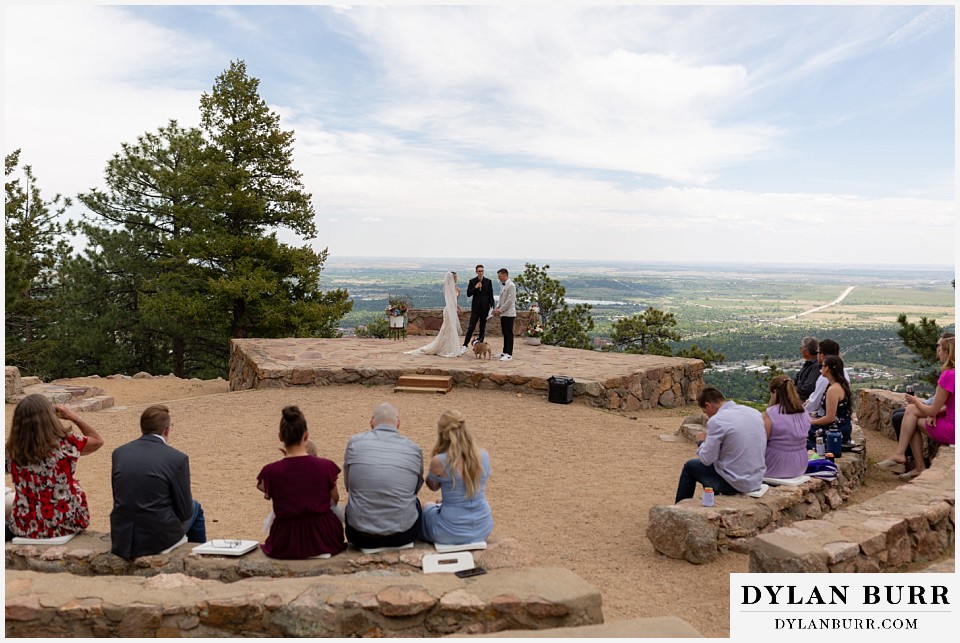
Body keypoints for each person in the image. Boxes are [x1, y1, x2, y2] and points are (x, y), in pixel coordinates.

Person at [110, 405, 206, 560]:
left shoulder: (119, 453)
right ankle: (198, 557)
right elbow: (185, 511)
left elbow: (119, 495)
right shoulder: (177, 458)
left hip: (123, 535)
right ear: (167, 430)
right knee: (196, 508)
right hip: (157, 538)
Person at [5, 395, 104, 541]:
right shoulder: (67, 443)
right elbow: (97, 441)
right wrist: (73, 417)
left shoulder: (11, 450)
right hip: (68, 523)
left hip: (26, 526)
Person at [257, 406, 346, 559]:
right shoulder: (326, 467)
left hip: (286, 539)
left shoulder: (271, 471)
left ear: (280, 437)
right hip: (323, 537)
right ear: (306, 436)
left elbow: (270, 490)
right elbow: (335, 499)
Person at [342, 403, 424, 549]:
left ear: (371, 422)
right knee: (416, 502)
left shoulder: (354, 443)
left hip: (360, 535)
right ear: (398, 423)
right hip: (403, 534)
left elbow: (349, 486)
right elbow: (414, 490)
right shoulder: (414, 449)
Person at [878, 336, 955, 480]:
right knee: (911, 414)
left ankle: (909, 460)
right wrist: (932, 412)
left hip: (952, 430)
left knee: (911, 414)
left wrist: (915, 401)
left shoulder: (949, 375)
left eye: (940, 349)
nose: (938, 352)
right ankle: (908, 460)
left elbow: (932, 410)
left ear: (947, 353)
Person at [674, 388, 766, 503]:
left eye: (705, 412)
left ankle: (680, 507)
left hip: (735, 483)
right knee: (712, 468)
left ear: (708, 406)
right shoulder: (753, 412)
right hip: (756, 479)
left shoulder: (717, 421)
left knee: (690, 466)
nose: (707, 416)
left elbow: (707, 459)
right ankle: (711, 500)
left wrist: (701, 442)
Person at [420, 410, 493, 545]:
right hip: (483, 526)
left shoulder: (439, 461)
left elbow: (433, 486)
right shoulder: (483, 456)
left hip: (449, 531)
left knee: (426, 507)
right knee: (440, 503)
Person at [405, 271, 463, 358]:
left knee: (451, 330)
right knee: (448, 329)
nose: (456, 278)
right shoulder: (448, 288)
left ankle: (451, 347)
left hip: (453, 310)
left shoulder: (457, 289)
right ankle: (445, 348)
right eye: (455, 277)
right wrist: (455, 308)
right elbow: (450, 301)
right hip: (448, 310)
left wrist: (458, 308)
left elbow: (455, 301)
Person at [762, 376, 810, 479]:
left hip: (776, 466)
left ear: (774, 391)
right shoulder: (803, 411)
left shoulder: (770, 414)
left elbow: (761, 443)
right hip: (800, 465)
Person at [807, 355, 854, 448]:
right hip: (842, 427)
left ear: (827, 368)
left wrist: (810, 422)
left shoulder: (833, 390)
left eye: (823, 366)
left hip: (835, 430)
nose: (821, 368)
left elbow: (830, 418)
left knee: (800, 430)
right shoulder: (839, 385)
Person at [804, 339, 851, 417]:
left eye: (818, 353)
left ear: (822, 355)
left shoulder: (826, 378)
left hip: (825, 418)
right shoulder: (843, 372)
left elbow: (814, 404)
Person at [462, 264, 495, 352]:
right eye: (479, 271)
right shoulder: (472, 281)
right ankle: (465, 345)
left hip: (485, 308)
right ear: (476, 272)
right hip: (476, 308)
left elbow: (490, 295)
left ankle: (480, 345)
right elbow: (468, 293)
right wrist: (475, 287)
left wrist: (492, 307)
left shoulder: (488, 281)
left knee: (482, 328)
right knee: (471, 327)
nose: (481, 272)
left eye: (482, 271)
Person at [494, 268, 517, 361]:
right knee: (504, 332)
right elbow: (500, 299)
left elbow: (510, 301)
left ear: (504, 275)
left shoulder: (511, 286)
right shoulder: (503, 286)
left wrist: (500, 310)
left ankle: (509, 353)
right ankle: (504, 351)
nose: (499, 278)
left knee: (509, 333)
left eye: (499, 276)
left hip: (509, 314)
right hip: (503, 314)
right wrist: (497, 307)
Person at [793, 337, 821, 402]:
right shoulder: (808, 363)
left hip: (804, 402)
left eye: (801, 348)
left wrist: (792, 389)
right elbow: (796, 379)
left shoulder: (816, 366)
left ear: (806, 352)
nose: (800, 350)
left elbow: (807, 390)